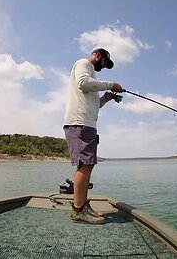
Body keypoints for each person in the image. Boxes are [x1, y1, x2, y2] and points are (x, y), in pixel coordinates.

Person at [63, 48, 123, 224]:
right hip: (80, 123)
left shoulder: (93, 77)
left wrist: (106, 98)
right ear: (98, 55)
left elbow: (95, 105)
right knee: (84, 165)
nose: (104, 66)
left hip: (87, 124)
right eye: (105, 62)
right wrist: (111, 84)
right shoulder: (83, 64)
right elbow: (82, 83)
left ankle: (82, 206)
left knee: (87, 165)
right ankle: (79, 210)